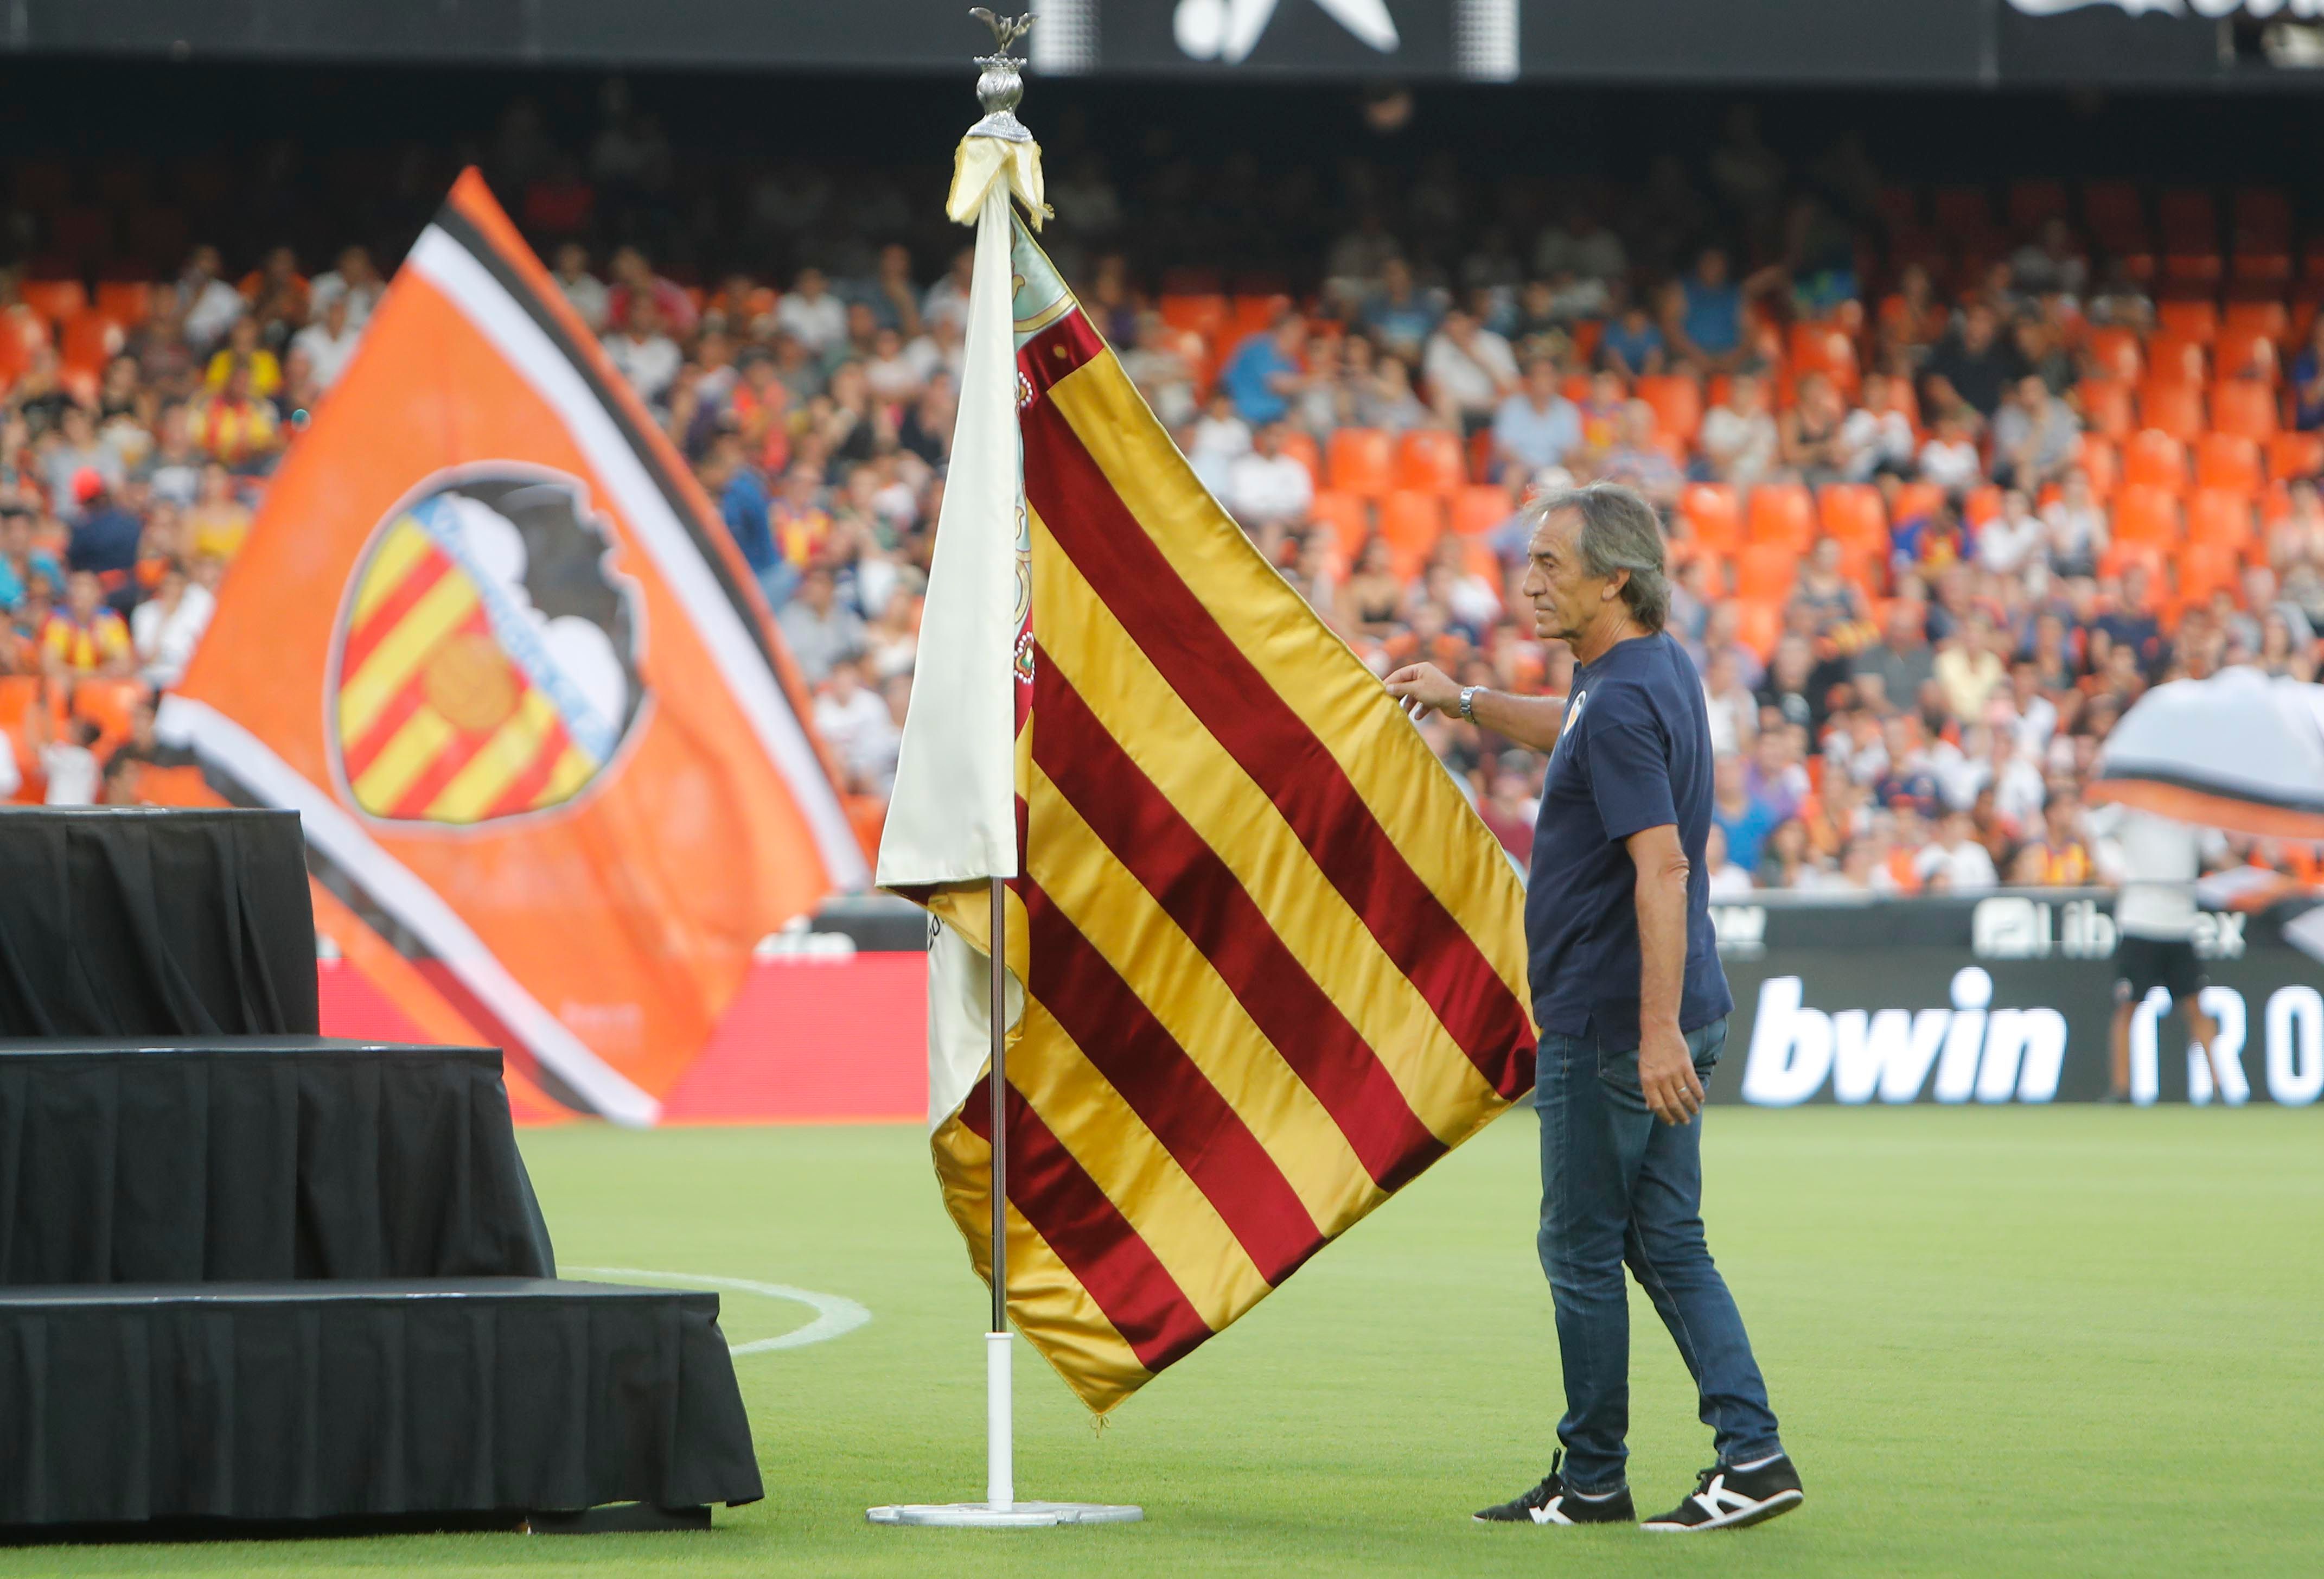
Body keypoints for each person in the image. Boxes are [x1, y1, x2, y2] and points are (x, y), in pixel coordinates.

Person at [1386, 482, 1800, 1533]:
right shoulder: (1647, 671)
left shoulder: (1615, 700)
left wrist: (1655, 1032)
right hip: (1666, 1004)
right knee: (1668, 1241)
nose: (1528, 583)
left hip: (1615, 1021)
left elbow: (1661, 870)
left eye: (1551, 566)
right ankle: (1752, 1455)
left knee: (1580, 1248)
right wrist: (1468, 700)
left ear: (1616, 578)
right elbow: (1570, 730)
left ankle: (1593, 1476)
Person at [2098, 807, 2236, 1103]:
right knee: (2128, 1006)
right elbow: (2092, 829)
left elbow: (2218, 852)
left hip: (2179, 924)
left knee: (2196, 1006)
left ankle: (2218, 1087)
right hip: (2139, 921)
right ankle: (2121, 1089)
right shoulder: (2129, 808)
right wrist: (2108, 868)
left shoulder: (2189, 809)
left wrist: (2250, 879)